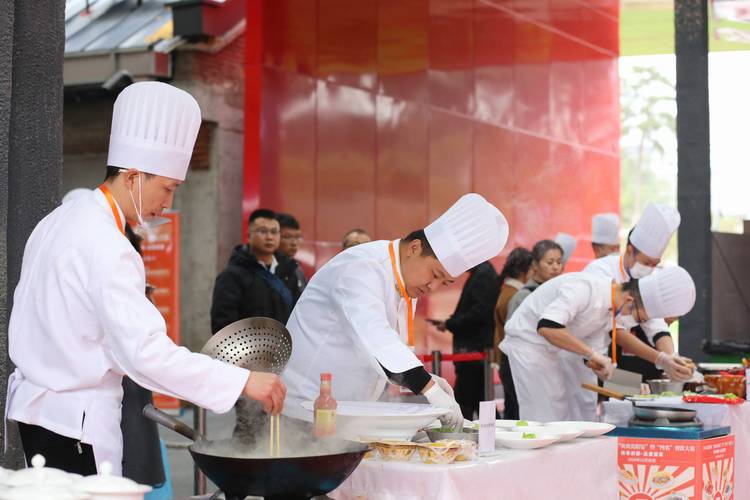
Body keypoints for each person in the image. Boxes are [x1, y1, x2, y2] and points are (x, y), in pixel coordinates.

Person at [5, 82, 285, 476]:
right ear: (134, 177)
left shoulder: (60, 219)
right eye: (168, 188)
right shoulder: (107, 242)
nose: (167, 204)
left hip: (40, 414)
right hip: (76, 423)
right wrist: (242, 381)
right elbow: (145, 353)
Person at [282, 194, 509, 430]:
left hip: (344, 414)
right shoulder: (363, 266)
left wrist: (429, 380)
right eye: (435, 273)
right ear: (414, 247)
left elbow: (391, 353)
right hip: (304, 409)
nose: (432, 287)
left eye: (445, 283)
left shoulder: (404, 282)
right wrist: (428, 388)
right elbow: (376, 336)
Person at [500, 266, 696, 421]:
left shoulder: (608, 313)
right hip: (527, 345)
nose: (631, 322)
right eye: (637, 316)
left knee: (565, 412)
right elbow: (547, 326)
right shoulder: (586, 288)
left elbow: (593, 361)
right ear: (629, 299)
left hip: (549, 352)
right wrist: (592, 355)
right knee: (546, 416)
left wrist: (630, 384)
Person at [583, 203, 688, 381]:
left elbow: (656, 326)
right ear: (630, 251)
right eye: (647, 263)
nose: (651, 269)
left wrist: (672, 358)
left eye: (655, 264)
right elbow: (617, 330)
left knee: (625, 394)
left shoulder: (648, 279)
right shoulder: (600, 272)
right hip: (581, 358)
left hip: (605, 365)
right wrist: (661, 359)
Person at [210, 208, 303, 334]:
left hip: (284, 349)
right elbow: (223, 324)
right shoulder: (232, 276)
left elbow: (298, 316)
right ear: (249, 235)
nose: (269, 237)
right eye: (262, 231)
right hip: (248, 350)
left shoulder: (289, 272)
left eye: (274, 232)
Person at [431, 261, 500, 420]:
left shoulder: (483, 275)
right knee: (477, 398)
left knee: (469, 399)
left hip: (473, 350)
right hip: (473, 350)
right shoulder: (481, 273)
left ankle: (463, 435)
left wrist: (450, 323)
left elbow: (479, 313)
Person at [493, 247, 533, 419]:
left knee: (512, 406)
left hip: (507, 359)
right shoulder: (516, 295)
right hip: (513, 360)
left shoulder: (508, 291)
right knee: (516, 410)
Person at [506, 240, 564, 319]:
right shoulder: (523, 296)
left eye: (559, 262)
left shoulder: (561, 292)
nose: (556, 267)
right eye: (550, 262)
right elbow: (512, 329)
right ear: (535, 264)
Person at [276, 212, 308, 292]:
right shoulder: (269, 269)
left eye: (297, 237)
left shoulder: (297, 269)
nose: (294, 243)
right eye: (287, 237)